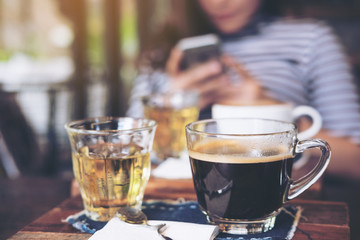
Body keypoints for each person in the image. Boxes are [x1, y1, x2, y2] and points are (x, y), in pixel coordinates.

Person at [127, 0, 360, 180]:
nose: (219, 3)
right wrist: (173, 103)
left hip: (272, 193)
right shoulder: (162, 51)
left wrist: (268, 110)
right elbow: (124, 150)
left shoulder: (311, 39)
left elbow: (355, 162)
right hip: (168, 198)